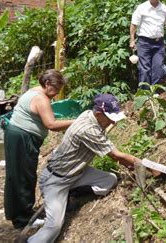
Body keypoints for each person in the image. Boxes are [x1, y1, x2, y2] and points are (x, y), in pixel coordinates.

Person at [28, 94, 141, 243]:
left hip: (77, 173)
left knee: (109, 180)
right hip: (56, 180)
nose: (113, 121)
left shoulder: (88, 114)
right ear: (99, 114)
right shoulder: (88, 129)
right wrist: (143, 166)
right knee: (53, 227)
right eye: (110, 117)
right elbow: (116, 156)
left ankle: (72, 193)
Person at [4, 70, 74, 229]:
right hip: (23, 138)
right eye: (56, 89)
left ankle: (17, 213)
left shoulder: (34, 90)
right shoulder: (41, 99)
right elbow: (51, 125)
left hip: (15, 134)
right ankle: (23, 219)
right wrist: (76, 121)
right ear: (48, 84)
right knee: (24, 177)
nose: (56, 93)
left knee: (16, 175)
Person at [130, 0, 166, 87]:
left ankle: (154, 90)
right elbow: (133, 24)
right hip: (144, 42)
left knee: (158, 68)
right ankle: (144, 93)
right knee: (144, 68)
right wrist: (132, 40)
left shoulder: (163, 8)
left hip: (159, 43)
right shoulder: (141, 7)